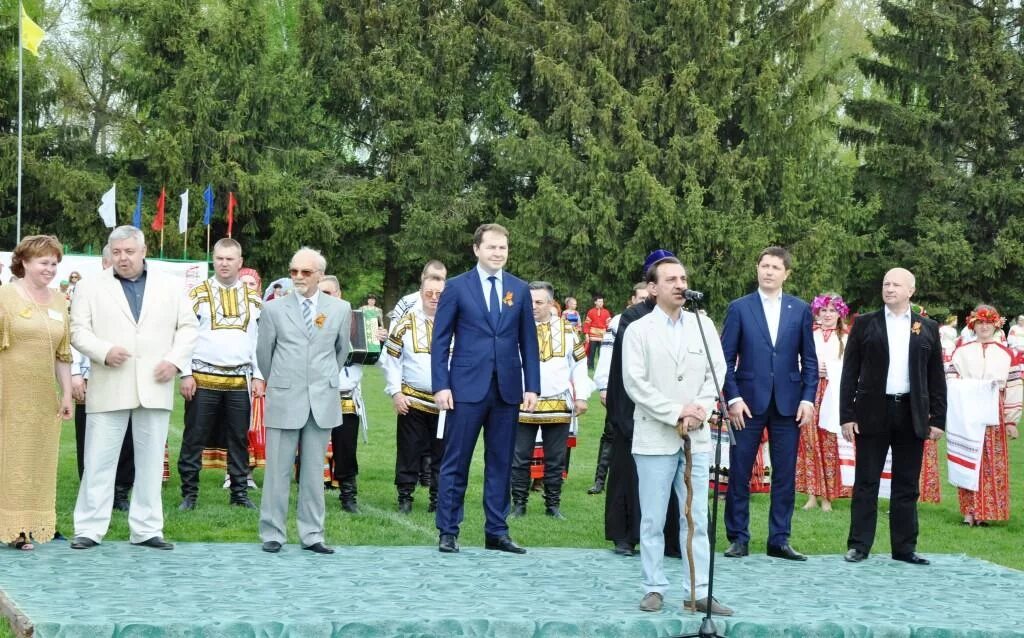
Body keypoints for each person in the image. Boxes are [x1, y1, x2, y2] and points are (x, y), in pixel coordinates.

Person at [70, 225, 199, 550]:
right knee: (98, 460)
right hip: (110, 381)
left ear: (144, 251)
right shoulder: (89, 286)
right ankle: (88, 528)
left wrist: (175, 360)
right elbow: (78, 331)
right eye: (117, 252)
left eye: (129, 251)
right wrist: (103, 351)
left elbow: (188, 326)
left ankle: (147, 529)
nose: (123, 258)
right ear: (109, 253)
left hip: (156, 382)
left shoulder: (170, 286)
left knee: (152, 462)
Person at [623, 256, 731, 615]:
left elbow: (716, 370)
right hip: (655, 435)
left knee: (697, 516)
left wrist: (700, 409)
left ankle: (698, 591)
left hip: (697, 437)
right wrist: (676, 412)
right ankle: (653, 586)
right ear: (653, 288)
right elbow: (635, 383)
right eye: (671, 279)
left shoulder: (703, 324)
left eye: (683, 277)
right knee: (653, 517)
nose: (680, 284)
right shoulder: (638, 330)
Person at [431, 223, 540, 554]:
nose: (497, 253)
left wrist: (532, 386)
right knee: (456, 461)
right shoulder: (456, 287)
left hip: (507, 390)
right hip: (465, 388)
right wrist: (441, 385)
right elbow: (440, 340)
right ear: (476, 249)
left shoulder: (519, 290)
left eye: (503, 248)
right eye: (491, 247)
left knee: (501, 462)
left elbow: (528, 342)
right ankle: (448, 531)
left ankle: (497, 530)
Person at [840, 267, 946, 565]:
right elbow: (850, 373)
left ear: (910, 290)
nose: (889, 289)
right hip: (872, 411)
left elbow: (936, 376)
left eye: (896, 284)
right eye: (886, 283)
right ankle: (859, 545)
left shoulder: (927, 327)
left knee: (906, 484)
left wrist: (938, 419)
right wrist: (846, 415)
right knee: (866, 481)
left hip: (911, 412)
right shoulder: (864, 324)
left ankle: (904, 547)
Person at [720, 246, 817, 561]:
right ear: (757, 269)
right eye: (764, 265)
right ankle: (738, 538)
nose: (769, 271)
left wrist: (807, 398)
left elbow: (810, 361)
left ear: (786, 273)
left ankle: (779, 539)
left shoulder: (800, 310)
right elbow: (725, 359)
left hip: (788, 405)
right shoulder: (740, 308)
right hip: (746, 403)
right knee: (739, 471)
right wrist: (732, 398)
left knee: (785, 474)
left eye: (776, 267)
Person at [257, 247, 351, 554]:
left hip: (321, 400)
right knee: (277, 473)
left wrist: (320, 380)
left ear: (320, 275)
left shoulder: (339, 309)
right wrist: (285, 381)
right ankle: (273, 532)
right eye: (294, 270)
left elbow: (341, 352)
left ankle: (312, 534)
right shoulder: (273, 309)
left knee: (313, 474)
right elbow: (264, 355)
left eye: (305, 272)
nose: (297, 277)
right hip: (285, 397)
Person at [177, 238, 264, 512]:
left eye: (230, 259)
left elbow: (258, 341)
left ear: (240, 262)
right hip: (203, 377)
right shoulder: (197, 294)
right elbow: (182, 335)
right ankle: (189, 494)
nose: (224, 263)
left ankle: (239, 493)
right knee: (194, 437)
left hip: (239, 379)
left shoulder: (254, 300)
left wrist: (259, 375)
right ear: (213, 259)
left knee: (238, 438)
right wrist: (185, 373)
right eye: (220, 258)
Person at [0, 235, 74, 550]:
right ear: (25, 262)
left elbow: (63, 354)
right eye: (44, 262)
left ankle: (25, 526)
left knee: (35, 461)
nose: (50, 269)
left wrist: (67, 393)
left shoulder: (59, 301)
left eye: (54, 263)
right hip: (8, 391)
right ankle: (11, 528)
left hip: (43, 397)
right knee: (8, 457)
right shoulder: (5, 297)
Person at [510, 282, 591, 520]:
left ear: (550, 304)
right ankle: (519, 505)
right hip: (524, 403)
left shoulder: (568, 330)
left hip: (558, 403)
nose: (533, 306)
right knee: (520, 457)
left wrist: (582, 397)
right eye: (530, 302)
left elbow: (579, 365)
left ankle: (553, 506)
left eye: (539, 302)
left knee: (556, 459)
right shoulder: (515, 328)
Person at [71, 248, 135, 513]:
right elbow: (75, 336)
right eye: (111, 260)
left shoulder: (135, 293)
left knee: (128, 438)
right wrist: (76, 374)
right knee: (89, 437)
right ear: (104, 263)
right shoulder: (87, 291)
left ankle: (120, 492)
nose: (118, 265)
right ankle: (91, 492)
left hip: (127, 376)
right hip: (92, 376)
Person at [946, 305, 1021, 526]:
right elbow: (950, 381)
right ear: (973, 325)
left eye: (989, 322)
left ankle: (986, 511)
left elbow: (1015, 385)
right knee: (968, 457)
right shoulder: (962, 352)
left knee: (990, 460)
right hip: (966, 410)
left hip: (993, 412)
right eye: (980, 322)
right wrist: (972, 387)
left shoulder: (1007, 354)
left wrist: (1011, 419)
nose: (984, 326)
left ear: (996, 325)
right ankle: (968, 511)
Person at [382, 273, 447, 513]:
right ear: (420, 294)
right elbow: (391, 360)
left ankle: (438, 500)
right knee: (409, 450)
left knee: (443, 453)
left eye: (439, 294)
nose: (434, 298)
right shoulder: (405, 323)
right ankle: (405, 498)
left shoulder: (457, 324)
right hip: (412, 399)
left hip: (446, 402)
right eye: (429, 293)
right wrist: (396, 393)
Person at [204, 266, 265, 486]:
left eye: (252, 284)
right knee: (233, 426)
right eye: (244, 283)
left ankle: (247, 474)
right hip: (232, 377)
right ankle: (232, 473)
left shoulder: (263, 310)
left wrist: (261, 375)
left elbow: (262, 344)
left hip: (257, 377)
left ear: (259, 288)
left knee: (255, 429)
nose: (248, 288)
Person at [589, 282, 649, 495]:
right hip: (619, 387)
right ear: (632, 300)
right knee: (611, 432)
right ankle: (599, 479)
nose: (644, 301)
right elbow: (607, 355)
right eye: (640, 298)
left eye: (647, 297)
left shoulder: (655, 320)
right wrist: (604, 386)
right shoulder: (619, 321)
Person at [795, 293, 852, 511]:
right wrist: (809, 368)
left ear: (840, 314)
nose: (828, 315)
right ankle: (811, 494)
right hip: (810, 392)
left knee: (829, 444)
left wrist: (832, 369)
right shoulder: (809, 335)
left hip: (833, 393)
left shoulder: (845, 338)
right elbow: (797, 359)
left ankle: (828, 496)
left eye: (832, 311)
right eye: (824, 311)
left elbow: (852, 367)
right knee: (808, 443)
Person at [318, 275, 368, 513]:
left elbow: (375, 358)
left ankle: (348, 495)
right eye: (321, 293)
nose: (324, 298)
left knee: (346, 448)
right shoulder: (314, 319)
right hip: (317, 392)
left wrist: (377, 342)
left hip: (347, 394)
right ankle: (311, 495)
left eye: (328, 293)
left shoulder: (357, 320)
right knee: (312, 447)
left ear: (339, 294)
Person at [388, 260, 447, 324]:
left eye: (440, 278)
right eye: (431, 277)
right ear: (422, 276)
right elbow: (393, 331)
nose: (435, 280)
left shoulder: (451, 306)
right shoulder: (406, 303)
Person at [582, 294, 612, 369]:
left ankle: (601, 368)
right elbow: (587, 324)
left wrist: (608, 334)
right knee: (591, 352)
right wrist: (586, 334)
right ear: (595, 302)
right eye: (599, 301)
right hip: (593, 336)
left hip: (603, 336)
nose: (601, 303)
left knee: (602, 353)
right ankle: (590, 367)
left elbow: (609, 324)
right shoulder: (591, 312)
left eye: (602, 301)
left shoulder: (606, 312)